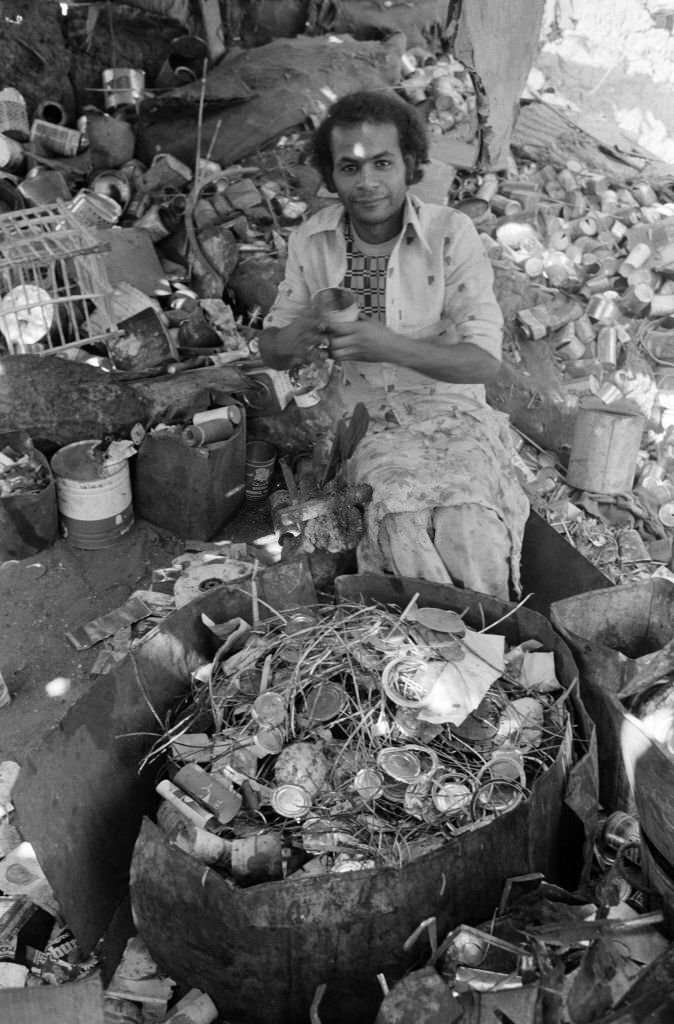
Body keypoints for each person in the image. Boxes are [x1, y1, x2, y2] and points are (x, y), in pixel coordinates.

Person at [259, 90, 529, 599]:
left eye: (382, 163)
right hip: (364, 418)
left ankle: (489, 640)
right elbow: (270, 350)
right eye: (349, 168)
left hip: (451, 411)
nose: (367, 183)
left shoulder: (450, 235)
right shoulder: (312, 241)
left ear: (409, 164)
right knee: (399, 517)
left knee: (471, 522)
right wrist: (303, 331)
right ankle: (415, 651)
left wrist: (387, 344)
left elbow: (484, 362)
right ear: (331, 176)